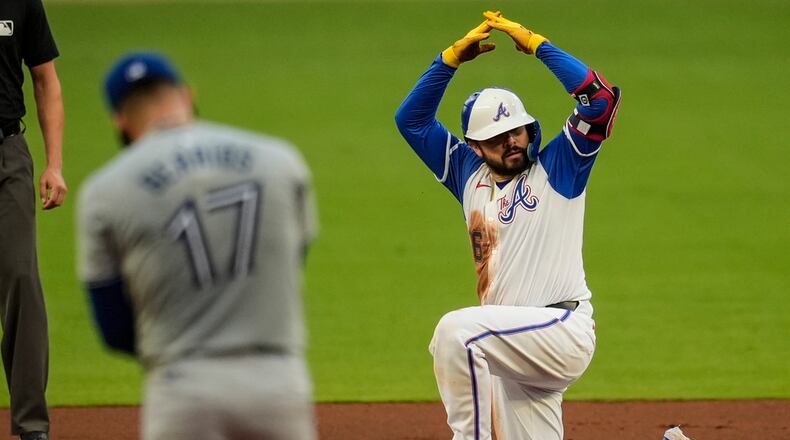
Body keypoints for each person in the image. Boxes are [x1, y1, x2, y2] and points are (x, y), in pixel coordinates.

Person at [395, 11, 621, 440]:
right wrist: (447, 61)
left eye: (516, 131)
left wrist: (538, 45)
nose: (512, 141)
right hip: (510, 349)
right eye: (498, 138)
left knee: (455, 332)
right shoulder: (467, 174)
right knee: (466, 337)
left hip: (561, 332)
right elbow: (412, 121)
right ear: (476, 146)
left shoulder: (559, 166)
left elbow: (602, 101)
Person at [76, 52, 317, 440]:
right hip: (277, 380)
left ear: (119, 120)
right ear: (187, 94)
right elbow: (292, 262)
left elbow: (114, 328)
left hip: (181, 385)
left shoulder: (104, 191)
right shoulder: (280, 160)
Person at [0, 0, 67, 439]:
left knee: (22, 278)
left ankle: (31, 427)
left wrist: (54, 163)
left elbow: (46, 80)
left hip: (7, 153)